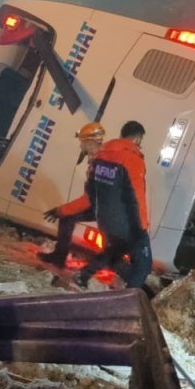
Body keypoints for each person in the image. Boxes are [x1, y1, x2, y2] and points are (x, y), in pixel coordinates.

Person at [64, 121, 153, 289]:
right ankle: (126, 301)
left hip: (106, 220)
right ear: (137, 137)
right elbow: (137, 195)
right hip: (128, 222)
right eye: (140, 140)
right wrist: (141, 226)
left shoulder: (101, 155)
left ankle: (83, 275)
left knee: (115, 252)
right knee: (143, 266)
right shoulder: (132, 159)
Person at [38, 122, 107, 267]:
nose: (80, 145)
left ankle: (60, 259)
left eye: (82, 142)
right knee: (67, 219)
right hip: (103, 205)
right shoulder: (99, 158)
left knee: (67, 217)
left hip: (104, 208)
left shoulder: (99, 163)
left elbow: (88, 200)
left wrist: (61, 210)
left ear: (90, 142)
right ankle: (59, 257)